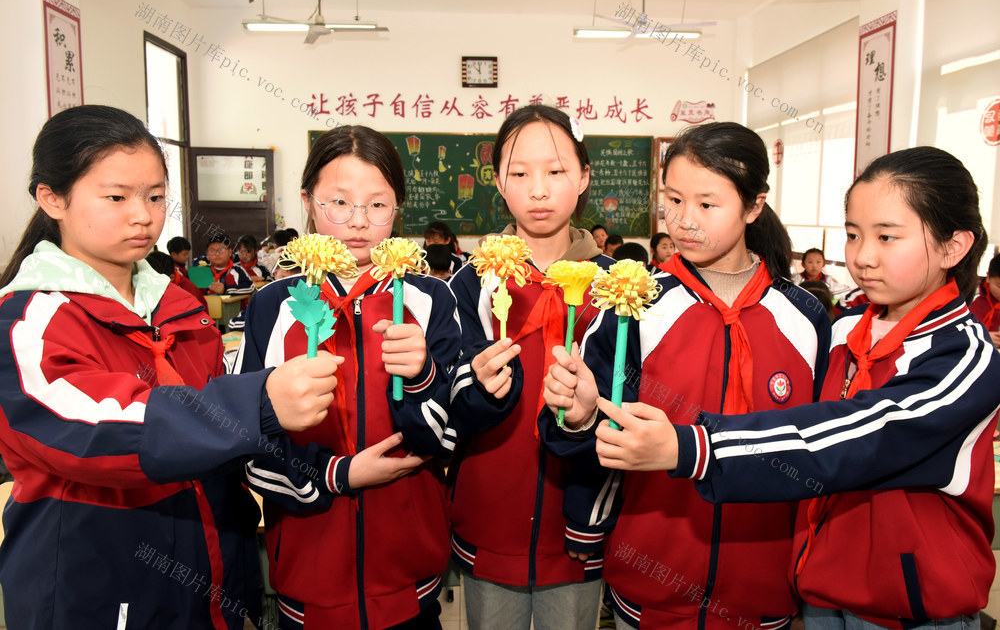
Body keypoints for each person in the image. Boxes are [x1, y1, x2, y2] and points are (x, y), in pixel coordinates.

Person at [581, 146, 1000, 630]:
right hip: (821, 595)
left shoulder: (965, 358)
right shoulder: (847, 333)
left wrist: (689, 447)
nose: (863, 256)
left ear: (954, 246)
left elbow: (849, 437)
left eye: (887, 237)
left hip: (908, 609)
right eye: (853, 235)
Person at [0, 104, 342, 629]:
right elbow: (100, 430)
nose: (143, 215)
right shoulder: (29, 321)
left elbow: (214, 421)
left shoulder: (176, 305)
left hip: (210, 579)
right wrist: (259, 402)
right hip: (99, 587)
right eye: (116, 197)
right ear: (52, 198)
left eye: (156, 197)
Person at [541, 122, 831, 630]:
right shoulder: (632, 301)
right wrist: (580, 417)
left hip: (763, 592)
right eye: (673, 200)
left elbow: (822, 449)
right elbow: (587, 444)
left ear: (754, 206)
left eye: (707, 204)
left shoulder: (805, 319)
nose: (684, 221)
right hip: (650, 585)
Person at [233, 125, 461, 629]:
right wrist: (337, 475)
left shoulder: (430, 299)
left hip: (410, 582)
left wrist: (422, 376)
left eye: (377, 205)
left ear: (398, 207)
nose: (358, 223)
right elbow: (245, 446)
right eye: (338, 202)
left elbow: (453, 437)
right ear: (308, 201)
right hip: (308, 580)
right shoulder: (273, 305)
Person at [448, 104, 613, 629]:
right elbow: (447, 409)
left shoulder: (619, 287)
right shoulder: (472, 283)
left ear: (584, 177)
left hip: (580, 526)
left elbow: (632, 402)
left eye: (556, 171)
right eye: (520, 174)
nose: (538, 190)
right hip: (490, 524)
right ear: (498, 180)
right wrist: (476, 388)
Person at [970, 253, 1000, 347]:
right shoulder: (976, 303)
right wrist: (983, 337)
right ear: (988, 277)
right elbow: (965, 334)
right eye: (999, 286)